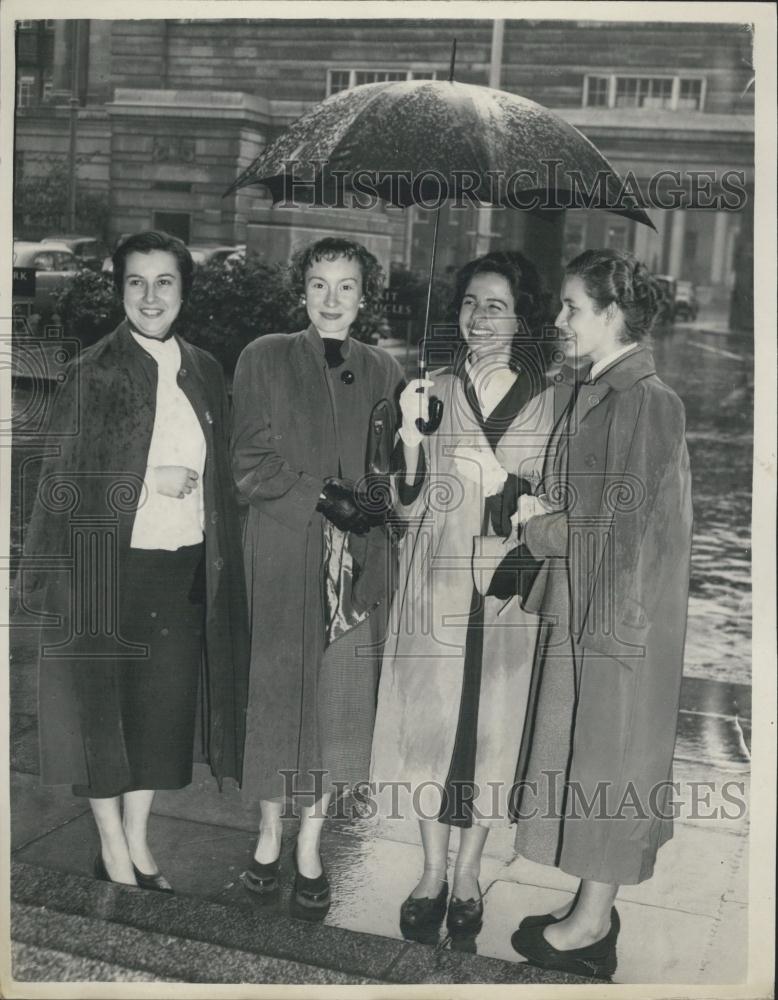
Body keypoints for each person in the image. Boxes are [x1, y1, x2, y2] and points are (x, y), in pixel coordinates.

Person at [17, 230, 250, 890]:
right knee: (99, 713)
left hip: (180, 572)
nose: (151, 296)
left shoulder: (204, 368)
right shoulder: (94, 371)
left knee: (161, 716)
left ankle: (140, 843)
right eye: (136, 283)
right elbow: (58, 479)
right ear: (120, 291)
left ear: (185, 290)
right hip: (105, 571)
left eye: (165, 282)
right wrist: (146, 481)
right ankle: (112, 850)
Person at [509, 249, 693, 980]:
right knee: (594, 755)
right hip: (600, 604)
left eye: (571, 308)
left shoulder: (644, 400)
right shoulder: (605, 390)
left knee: (611, 761)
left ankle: (590, 926)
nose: (558, 321)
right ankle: (589, 907)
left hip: (619, 616)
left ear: (613, 315)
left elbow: (610, 527)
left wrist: (536, 525)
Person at [369, 250, 556, 936]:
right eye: (471, 303)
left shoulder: (550, 398)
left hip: (505, 591)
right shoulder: (431, 387)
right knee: (429, 728)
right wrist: (413, 442)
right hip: (438, 585)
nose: (479, 317)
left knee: (490, 734)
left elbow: (554, 501)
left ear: (521, 319)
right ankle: (430, 870)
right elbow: (406, 509)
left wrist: (501, 479)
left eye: (496, 305)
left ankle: (471, 871)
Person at [232, 237, 404, 915]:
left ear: (366, 296)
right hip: (285, 548)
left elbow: (392, 474)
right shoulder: (264, 357)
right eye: (319, 286)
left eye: (347, 287)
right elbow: (249, 461)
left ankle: (311, 843)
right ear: (300, 292)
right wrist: (320, 495)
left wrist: (395, 474)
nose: (332, 301)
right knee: (278, 699)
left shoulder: (386, 369)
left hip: (357, 561)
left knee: (340, 708)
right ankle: (268, 837)